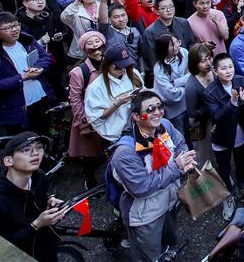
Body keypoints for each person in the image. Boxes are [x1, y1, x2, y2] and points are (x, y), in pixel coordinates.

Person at [109, 90, 197, 262]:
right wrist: (177, 167)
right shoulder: (125, 153)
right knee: (150, 256)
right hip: (146, 216)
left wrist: (185, 159)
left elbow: (180, 143)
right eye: (150, 109)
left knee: (169, 242)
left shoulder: (164, 125)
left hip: (169, 203)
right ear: (136, 116)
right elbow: (142, 187)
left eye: (159, 107)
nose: (157, 112)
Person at [0, 132, 69, 262]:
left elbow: (34, 198)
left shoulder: (39, 177)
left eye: (39, 147)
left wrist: (48, 201)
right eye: (26, 150)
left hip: (45, 250)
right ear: (8, 160)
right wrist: (36, 225)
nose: (35, 153)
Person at [0, 12, 54, 134]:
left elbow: (45, 57)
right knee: (25, 140)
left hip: (40, 98)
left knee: (44, 135)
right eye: (8, 28)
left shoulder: (27, 40)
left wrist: (39, 68)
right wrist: (21, 78)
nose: (15, 30)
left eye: (16, 25)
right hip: (16, 108)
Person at [205, 52, 244, 198]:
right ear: (215, 71)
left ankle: (242, 185)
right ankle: (227, 194)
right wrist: (232, 103)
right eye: (223, 68)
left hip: (241, 132)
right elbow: (217, 117)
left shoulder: (240, 80)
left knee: (241, 163)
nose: (228, 71)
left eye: (231, 66)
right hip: (222, 136)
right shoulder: (210, 93)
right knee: (224, 168)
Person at [67, 30, 108, 187]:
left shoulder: (111, 64)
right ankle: (90, 181)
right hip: (90, 118)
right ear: (84, 49)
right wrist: (83, 123)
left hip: (110, 114)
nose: (95, 47)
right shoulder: (79, 72)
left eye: (97, 42)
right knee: (91, 154)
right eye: (90, 44)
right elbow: (75, 99)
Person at [83, 43, 144, 143]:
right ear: (107, 65)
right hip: (116, 136)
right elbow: (96, 119)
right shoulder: (96, 87)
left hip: (141, 128)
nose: (123, 69)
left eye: (126, 65)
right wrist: (117, 104)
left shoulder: (134, 74)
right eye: (118, 67)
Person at [153, 33, 190, 134]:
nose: (177, 46)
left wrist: (175, 83)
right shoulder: (159, 69)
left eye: (177, 42)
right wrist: (188, 86)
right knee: (180, 136)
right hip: (175, 112)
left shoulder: (184, 53)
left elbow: (193, 74)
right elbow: (171, 94)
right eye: (172, 44)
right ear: (164, 48)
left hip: (189, 105)